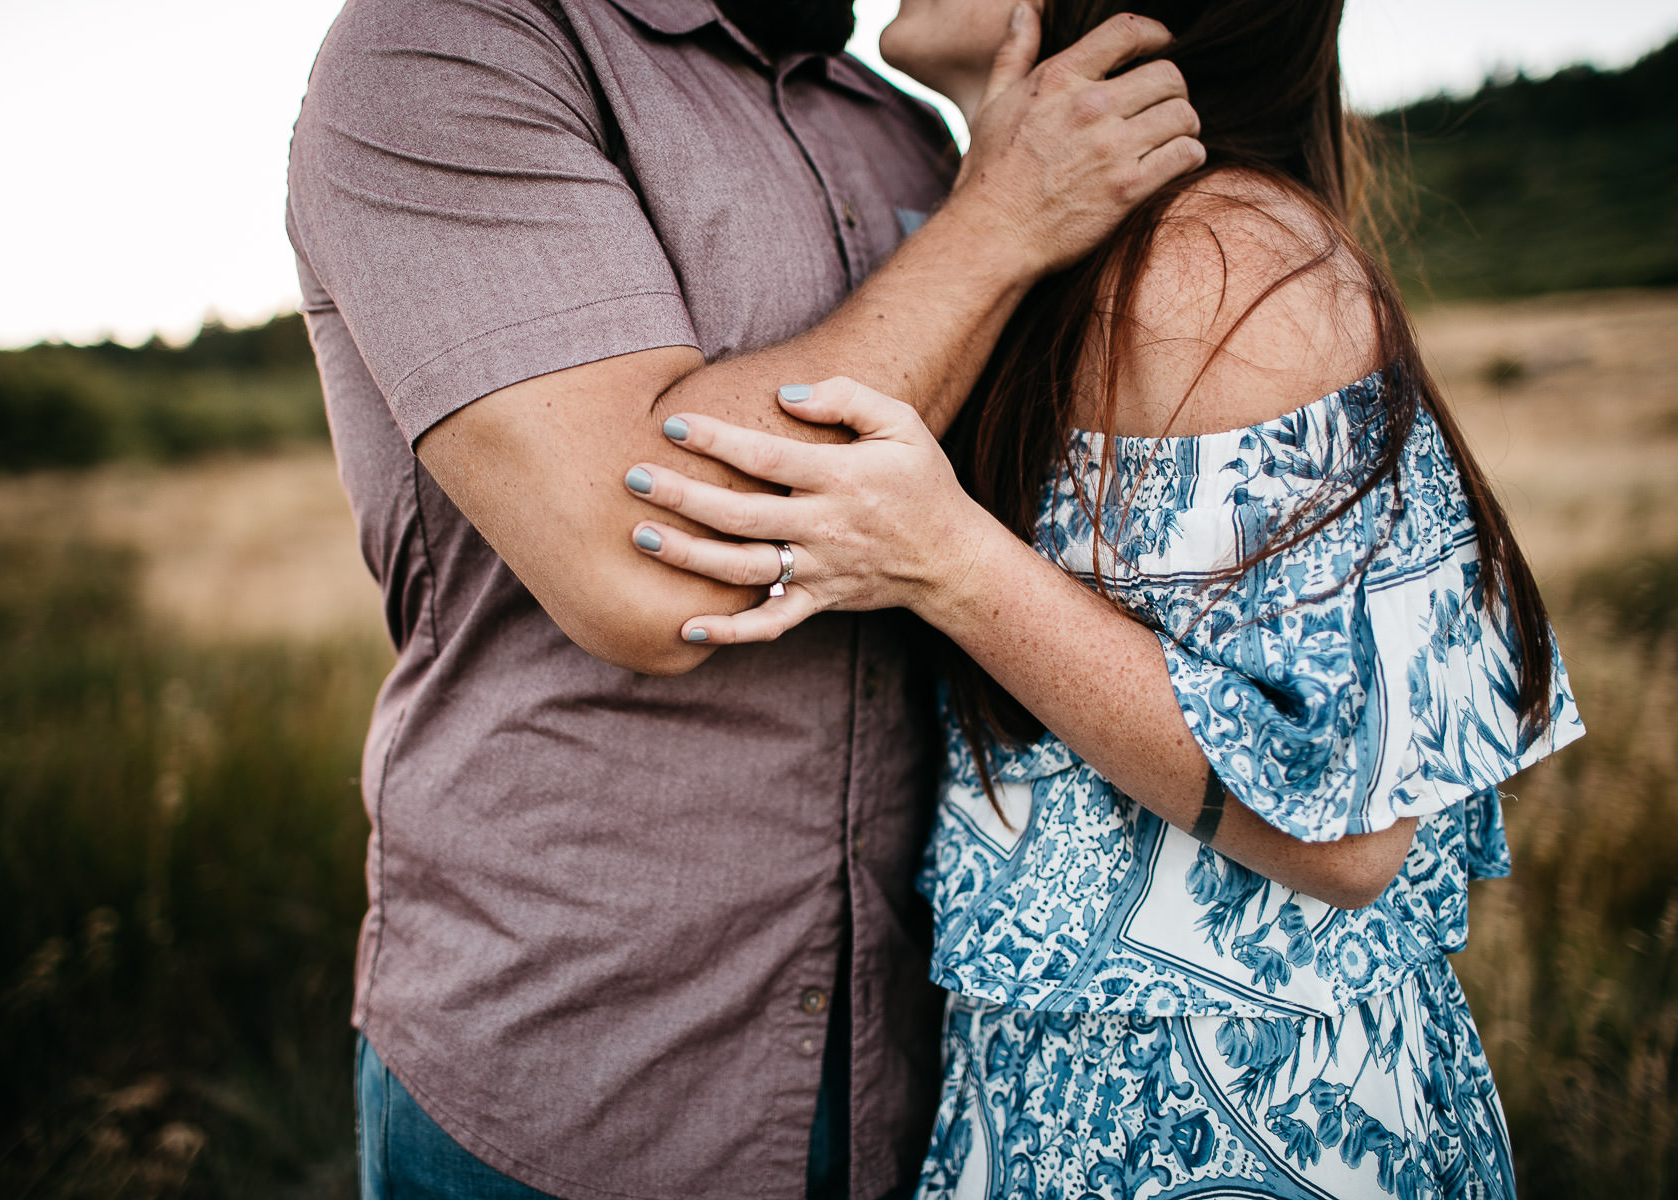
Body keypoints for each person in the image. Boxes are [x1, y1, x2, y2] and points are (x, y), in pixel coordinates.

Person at [622, 0, 1586, 1195]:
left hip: (1249, 1120)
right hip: (1055, 1099)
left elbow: (1355, 833)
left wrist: (949, 562)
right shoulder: (1052, 258)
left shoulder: (1216, 256)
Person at [284, 1, 1204, 1197]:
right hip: (574, 1075)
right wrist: (1001, 221)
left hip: (915, 1061)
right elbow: (643, 559)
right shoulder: (449, 49)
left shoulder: (901, 124)